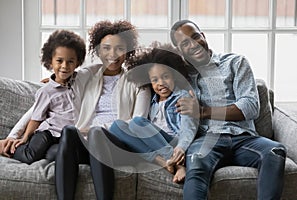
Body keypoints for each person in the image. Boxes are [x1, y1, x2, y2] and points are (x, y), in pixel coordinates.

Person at [169, 19, 287, 200]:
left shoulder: (235, 62)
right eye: (185, 43)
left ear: (203, 36)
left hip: (243, 139)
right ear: (179, 51)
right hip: (206, 141)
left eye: (195, 37)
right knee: (196, 161)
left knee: (275, 150)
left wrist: (203, 111)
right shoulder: (182, 78)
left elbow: (250, 107)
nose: (193, 45)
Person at [55, 20, 151, 200]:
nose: (112, 54)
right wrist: (15, 136)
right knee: (68, 131)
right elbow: (48, 98)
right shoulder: (87, 75)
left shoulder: (138, 81)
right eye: (106, 48)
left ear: (128, 51)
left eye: (119, 48)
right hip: (86, 143)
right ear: (98, 50)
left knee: (97, 133)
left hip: (119, 146)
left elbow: (138, 122)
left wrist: (99, 129)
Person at [0, 30, 98, 164]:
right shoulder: (45, 92)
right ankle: (9, 149)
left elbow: (96, 71)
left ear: (77, 63)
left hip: (66, 136)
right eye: (59, 61)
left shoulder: (79, 82)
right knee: (31, 156)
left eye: (70, 61)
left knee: (59, 154)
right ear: (50, 62)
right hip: (48, 132)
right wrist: (24, 139)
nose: (65, 66)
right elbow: (35, 118)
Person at [108, 44, 199, 183]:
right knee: (116, 126)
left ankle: (178, 163)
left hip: (174, 144)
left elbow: (189, 128)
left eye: (165, 77)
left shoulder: (182, 97)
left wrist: (181, 148)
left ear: (174, 76)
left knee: (137, 122)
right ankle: (163, 163)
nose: (161, 83)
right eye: (155, 80)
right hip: (156, 146)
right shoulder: (152, 101)